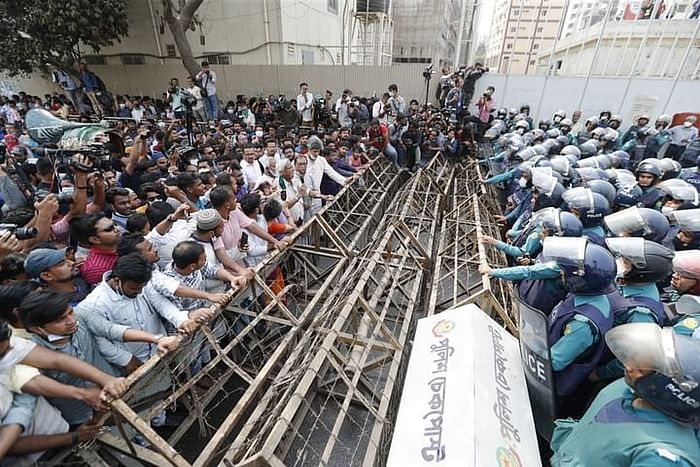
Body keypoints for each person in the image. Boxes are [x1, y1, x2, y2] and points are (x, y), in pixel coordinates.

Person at [551, 323, 700, 466]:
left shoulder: (663, 458)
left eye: (642, 370)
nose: (628, 367)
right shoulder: (626, 387)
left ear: (671, 390)